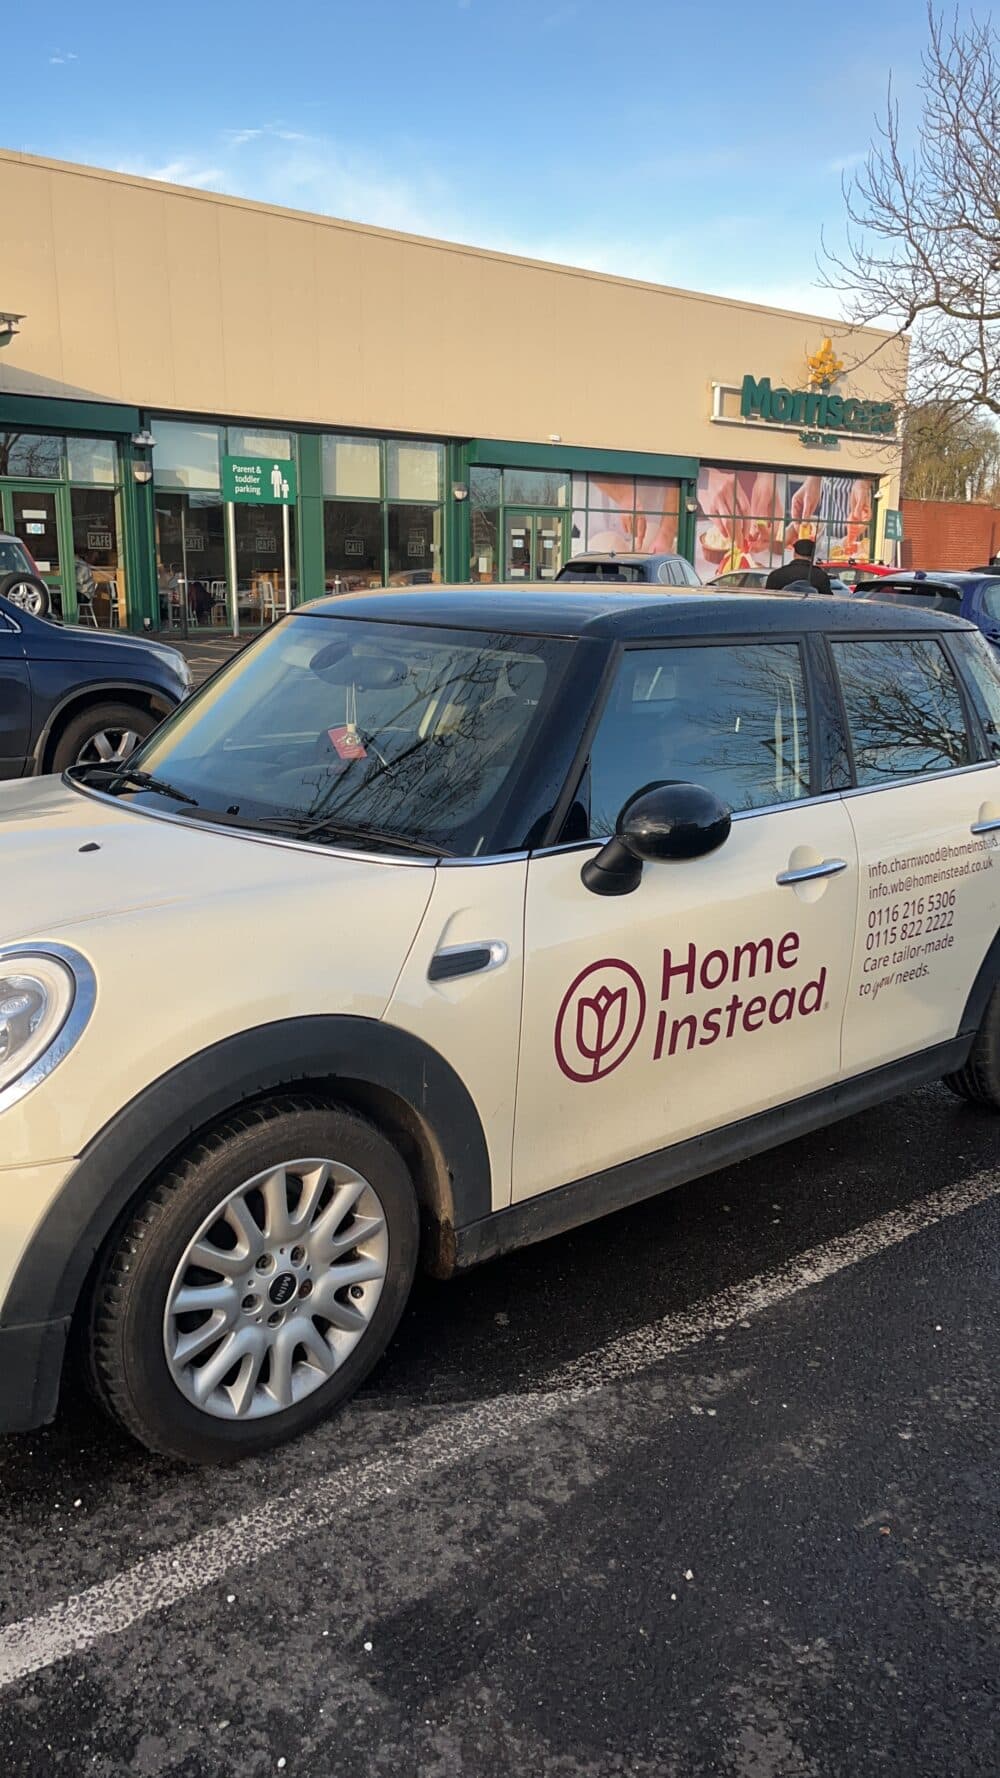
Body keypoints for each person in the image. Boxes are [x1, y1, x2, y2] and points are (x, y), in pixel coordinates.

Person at [765, 537, 832, 595]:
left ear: (794, 553)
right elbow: (828, 602)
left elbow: (767, 601)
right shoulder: (821, 576)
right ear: (812, 555)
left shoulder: (776, 575)